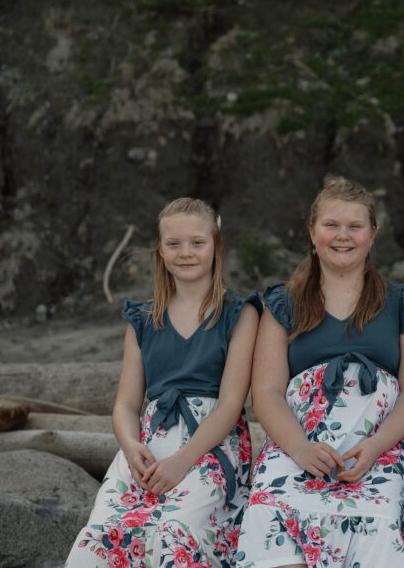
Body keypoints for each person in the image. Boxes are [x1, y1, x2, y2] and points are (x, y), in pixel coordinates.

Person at [236, 177, 404, 568]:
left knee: (377, 516)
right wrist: (300, 448)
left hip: (379, 445)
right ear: (312, 232)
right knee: (268, 507)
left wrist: (377, 446)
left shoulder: (401, 302)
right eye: (331, 225)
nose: (343, 236)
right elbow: (267, 391)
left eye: (355, 226)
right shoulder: (283, 303)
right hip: (299, 443)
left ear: (372, 234)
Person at [67, 198, 260, 567]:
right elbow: (125, 404)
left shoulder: (239, 313)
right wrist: (130, 446)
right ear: (160, 250)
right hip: (149, 444)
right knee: (101, 536)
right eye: (174, 244)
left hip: (209, 444)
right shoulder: (142, 318)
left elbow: (232, 403)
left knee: (174, 529)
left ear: (216, 245)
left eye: (197, 243)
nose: (185, 253)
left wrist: (182, 461)